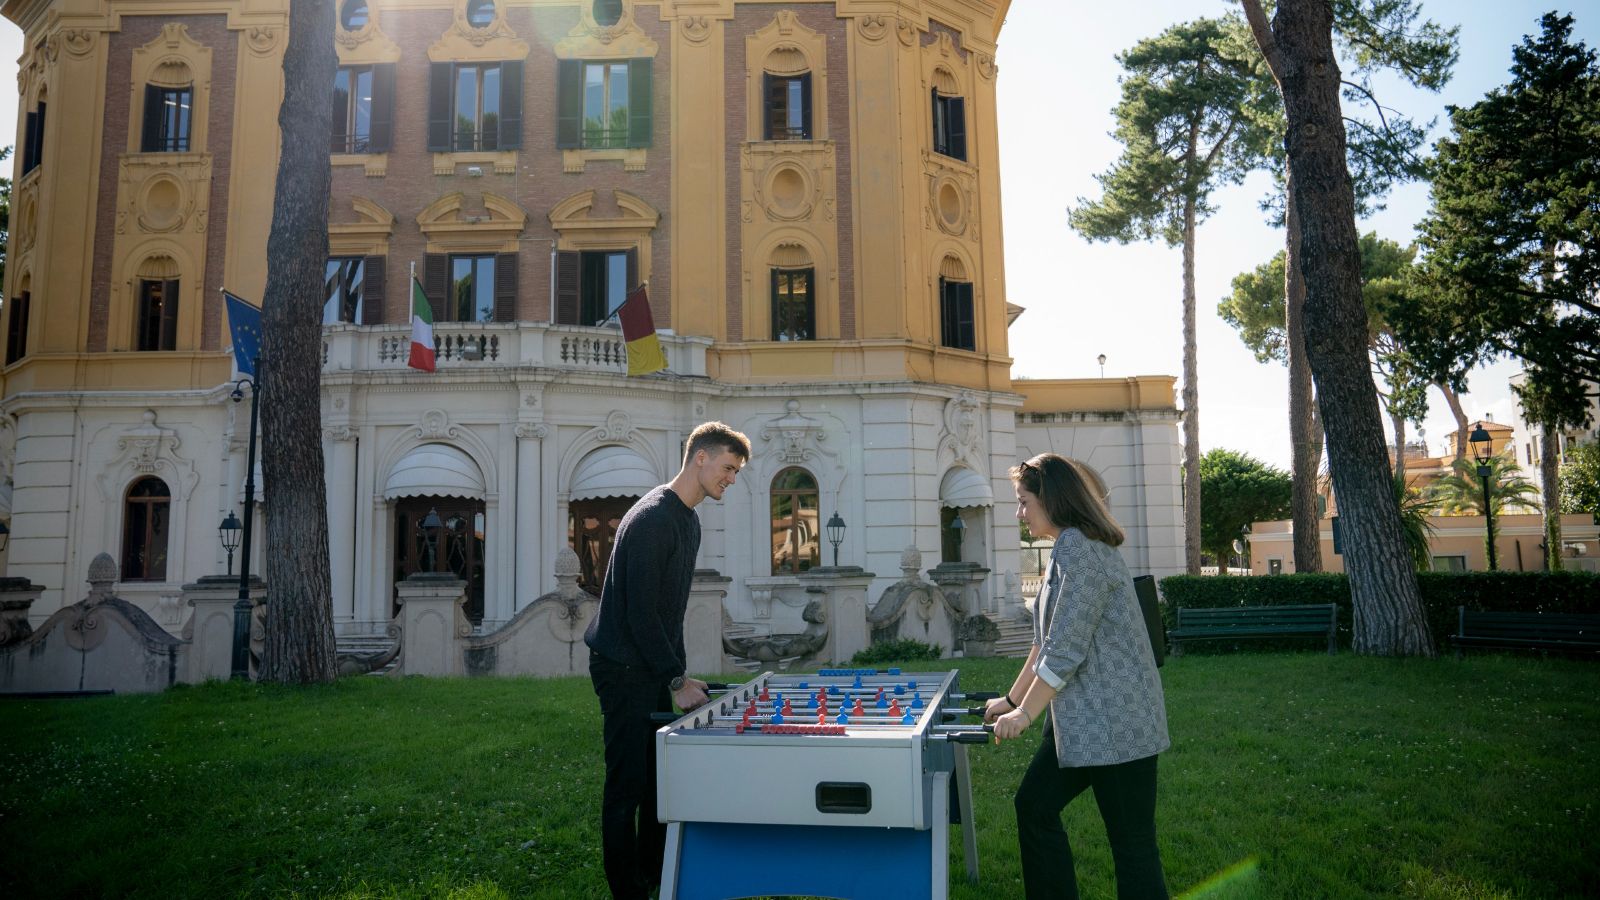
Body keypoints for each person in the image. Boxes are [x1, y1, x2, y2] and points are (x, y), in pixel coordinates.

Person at [986, 452, 1170, 900]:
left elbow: (1065, 651)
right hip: (1083, 725)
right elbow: (1044, 641)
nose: (1019, 512)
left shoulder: (1082, 553)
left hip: (1121, 727)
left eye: (1024, 501)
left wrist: (1025, 716)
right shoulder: (1066, 550)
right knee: (1034, 807)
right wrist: (1011, 702)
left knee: (1133, 849)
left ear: (1052, 499)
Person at [583, 421, 751, 900]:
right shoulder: (654, 518)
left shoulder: (688, 519)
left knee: (659, 782)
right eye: (727, 468)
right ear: (700, 457)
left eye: (736, 472)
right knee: (627, 785)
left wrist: (676, 673)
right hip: (620, 665)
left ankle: (656, 874)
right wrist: (674, 678)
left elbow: (667, 610)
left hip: (649, 664)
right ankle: (628, 890)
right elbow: (638, 613)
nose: (730, 479)